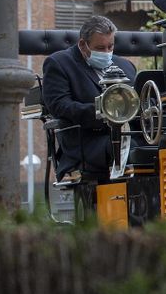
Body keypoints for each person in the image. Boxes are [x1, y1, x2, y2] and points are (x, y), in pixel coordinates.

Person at [41, 14, 137, 183]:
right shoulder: (59, 63)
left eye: (111, 46)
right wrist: (103, 112)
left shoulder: (125, 66)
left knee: (165, 147)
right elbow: (59, 106)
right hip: (88, 141)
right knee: (132, 150)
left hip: (128, 134)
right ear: (82, 45)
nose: (107, 53)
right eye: (100, 48)